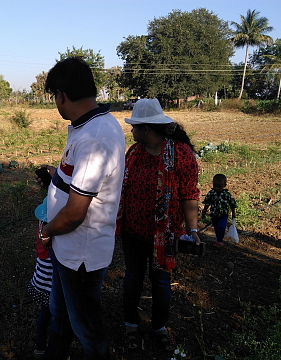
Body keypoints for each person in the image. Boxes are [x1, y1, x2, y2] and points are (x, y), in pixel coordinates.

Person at [36, 57, 126, 360]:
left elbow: (75, 213)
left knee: (87, 327)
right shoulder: (84, 127)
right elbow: (78, 178)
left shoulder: (95, 138)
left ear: (61, 95)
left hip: (81, 255)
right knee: (59, 312)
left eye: (54, 97)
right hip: (68, 248)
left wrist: (47, 231)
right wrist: (55, 176)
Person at [116, 98, 200, 353]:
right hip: (132, 233)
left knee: (161, 282)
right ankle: (131, 323)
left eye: (134, 127)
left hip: (165, 236)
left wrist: (193, 230)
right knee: (133, 278)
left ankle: (159, 327)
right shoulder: (134, 154)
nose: (131, 132)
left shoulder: (181, 154)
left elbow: (189, 194)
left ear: (147, 129)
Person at [27, 197, 53, 359]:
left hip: (41, 279)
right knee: (56, 314)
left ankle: (40, 346)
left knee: (45, 314)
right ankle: (51, 346)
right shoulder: (53, 233)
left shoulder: (41, 228)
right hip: (52, 282)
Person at [201, 174, 237, 248]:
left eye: (219, 187)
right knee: (216, 227)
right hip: (214, 214)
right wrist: (204, 211)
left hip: (223, 215)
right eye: (215, 186)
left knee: (221, 227)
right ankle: (218, 238)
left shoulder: (227, 195)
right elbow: (207, 203)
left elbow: (232, 204)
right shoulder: (211, 193)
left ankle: (219, 240)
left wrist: (233, 214)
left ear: (224, 185)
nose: (217, 188)